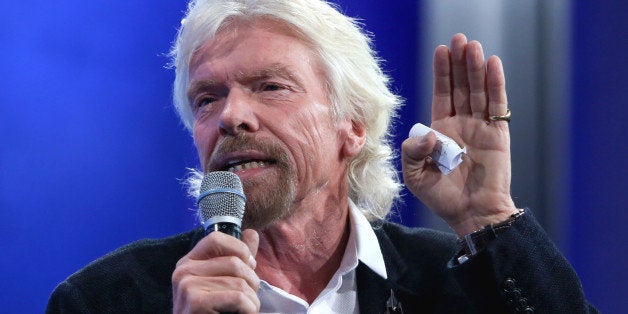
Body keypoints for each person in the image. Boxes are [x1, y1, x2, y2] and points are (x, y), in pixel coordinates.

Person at [47, 0, 596, 313]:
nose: (231, 116)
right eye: (207, 98)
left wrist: (488, 218)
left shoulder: (461, 288)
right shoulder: (103, 300)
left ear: (351, 128)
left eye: (270, 86)